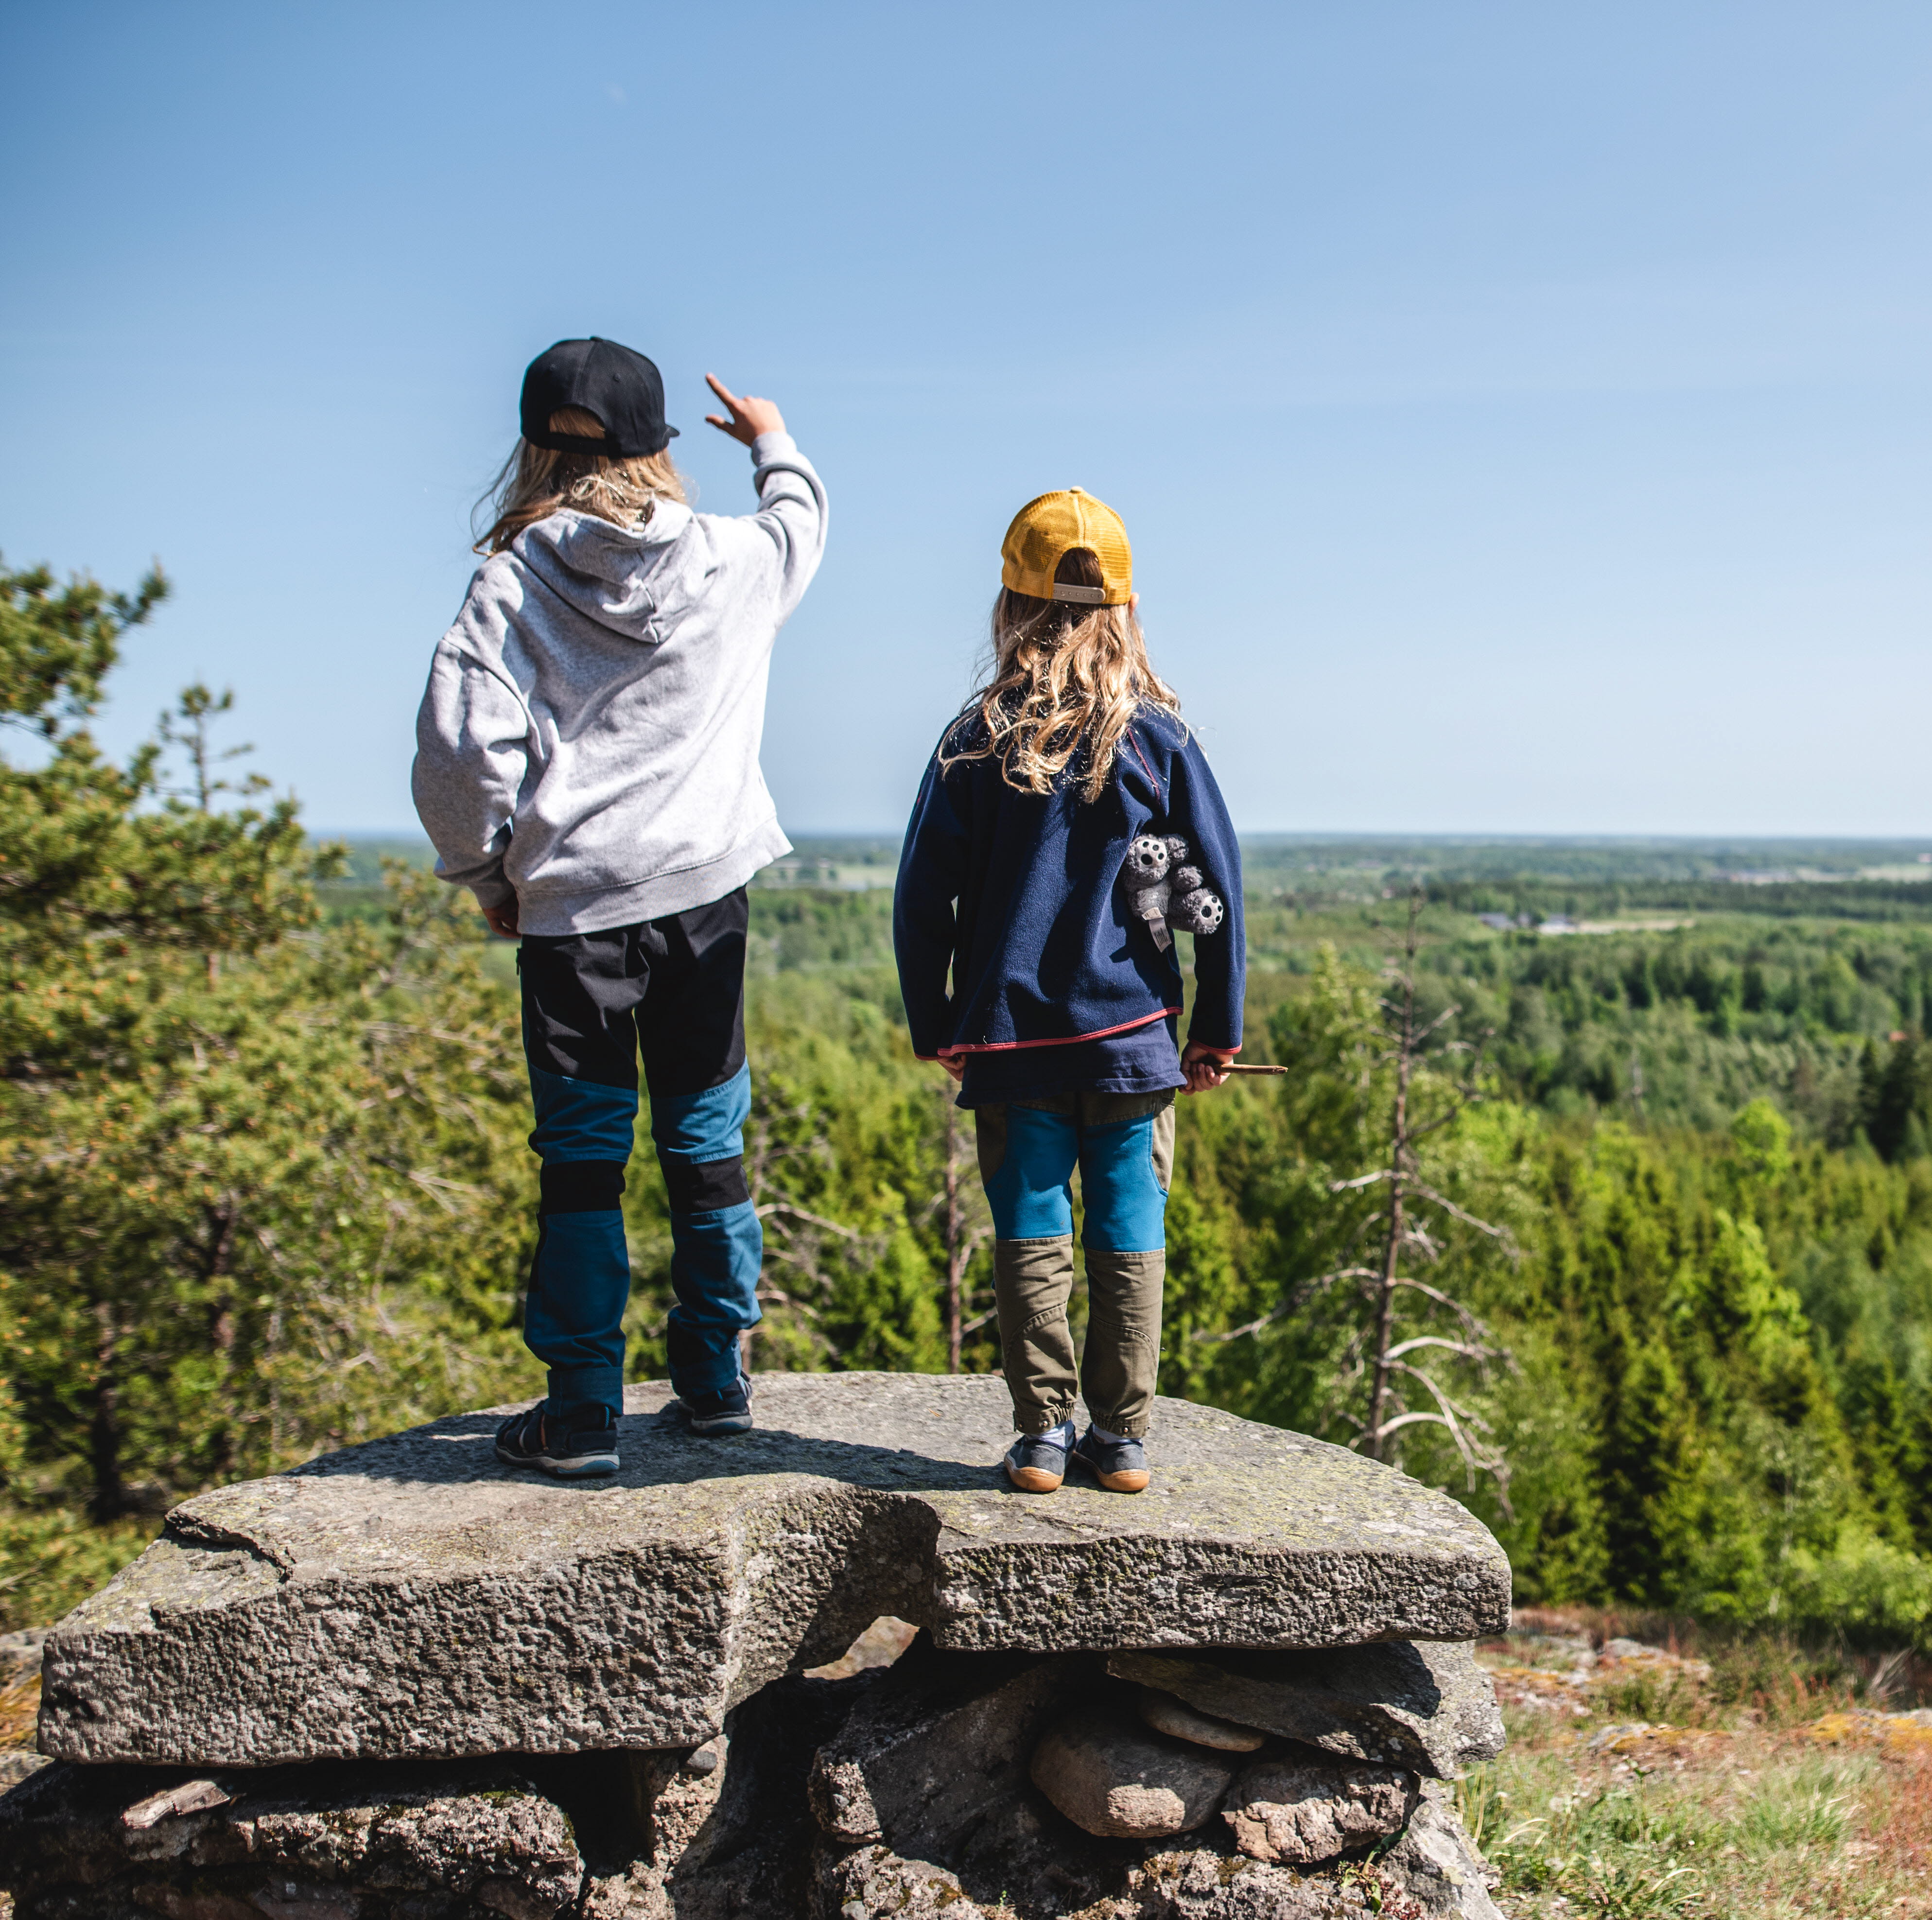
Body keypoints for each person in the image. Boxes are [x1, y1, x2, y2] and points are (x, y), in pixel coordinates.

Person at [412, 336, 827, 1477]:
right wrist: (772, 440)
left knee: (583, 1159)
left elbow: (460, 751)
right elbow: (800, 524)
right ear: (658, 446)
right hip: (705, 899)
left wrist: (490, 873)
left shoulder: (510, 580)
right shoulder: (735, 562)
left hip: (574, 917)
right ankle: (714, 1382)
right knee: (705, 1141)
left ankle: (584, 1413)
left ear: (533, 448)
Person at [893, 489, 1243, 1497]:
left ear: (1010, 607)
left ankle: (1042, 1437)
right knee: (1129, 1225)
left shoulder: (972, 739)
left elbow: (923, 898)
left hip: (1009, 1042)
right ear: (1124, 611)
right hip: (1132, 1039)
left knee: (1030, 1225)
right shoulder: (1159, 740)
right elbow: (1215, 893)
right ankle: (1121, 1440)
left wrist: (936, 1021)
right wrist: (1212, 1027)